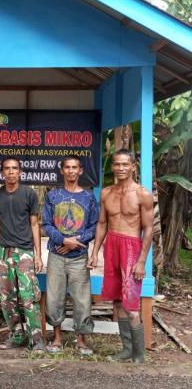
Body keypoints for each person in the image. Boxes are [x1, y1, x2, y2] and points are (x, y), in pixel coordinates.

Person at [88, 149, 154, 364]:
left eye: (125, 164)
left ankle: (139, 354)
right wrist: (95, 252)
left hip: (131, 248)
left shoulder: (142, 194)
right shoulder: (106, 193)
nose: (120, 168)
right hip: (112, 246)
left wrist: (142, 260)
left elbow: (149, 229)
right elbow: (102, 223)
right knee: (117, 301)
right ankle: (126, 349)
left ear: (133, 166)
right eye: (117, 164)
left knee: (131, 305)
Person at [0, 157, 45, 351]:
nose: (11, 172)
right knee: (6, 297)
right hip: (4, 252)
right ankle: (17, 335)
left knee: (28, 297)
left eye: (15, 168)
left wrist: (38, 255)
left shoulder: (29, 194)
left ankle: (36, 339)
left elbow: (34, 224)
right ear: (1, 172)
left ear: (20, 172)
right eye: (7, 169)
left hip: (25, 252)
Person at [42, 155, 99, 356]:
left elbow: (94, 226)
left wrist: (75, 242)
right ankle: (57, 337)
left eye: (75, 167)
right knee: (55, 298)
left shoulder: (89, 197)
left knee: (82, 299)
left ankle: (81, 340)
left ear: (81, 171)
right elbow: (46, 224)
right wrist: (63, 240)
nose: (71, 171)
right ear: (62, 170)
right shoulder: (53, 196)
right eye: (67, 167)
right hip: (56, 255)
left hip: (79, 256)